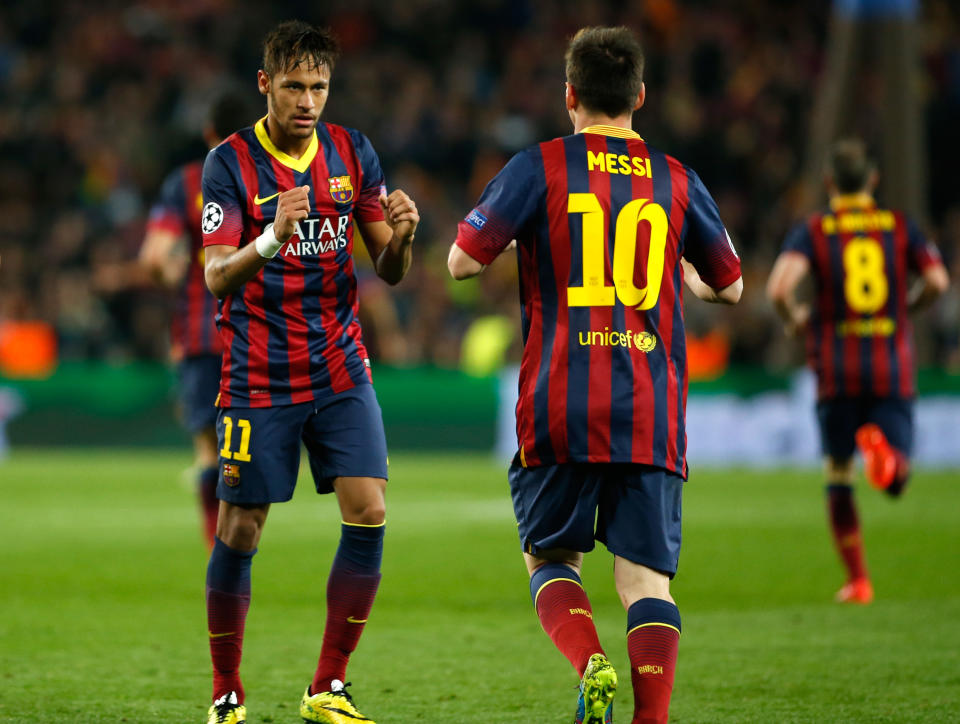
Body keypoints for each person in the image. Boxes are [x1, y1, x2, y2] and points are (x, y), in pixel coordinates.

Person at [448, 26, 742, 724]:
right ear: (640, 96)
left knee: (550, 558)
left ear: (571, 95)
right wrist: (686, 276)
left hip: (559, 402)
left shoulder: (539, 166)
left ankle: (590, 662)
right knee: (646, 580)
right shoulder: (676, 179)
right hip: (648, 405)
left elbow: (462, 261)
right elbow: (729, 286)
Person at [199, 20, 418, 724]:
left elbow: (387, 266)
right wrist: (270, 236)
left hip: (339, 368)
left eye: (318, 86)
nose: (307, 100)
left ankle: (328, 686)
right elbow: (214, 278)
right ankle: (226, 693)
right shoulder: (229, 165)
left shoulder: (354, 153)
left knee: (371, 509)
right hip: (259, 374)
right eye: (293, 85)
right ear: (265, 84)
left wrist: (404, 240)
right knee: (240, 529)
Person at [767, 138, 948, 605]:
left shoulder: (816, 229)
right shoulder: (898, 226)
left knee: (839, 473)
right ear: (873, 180)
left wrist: (796, 321)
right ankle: (886, 461)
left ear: (829, 183)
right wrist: (908, 308)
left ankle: (858, 581)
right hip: (889, 364)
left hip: (836, 368)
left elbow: (779, 288)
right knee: (897, 480)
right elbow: (938, 281)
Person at [139, 92, 251, 548]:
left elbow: (154, 257)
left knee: (209, 446)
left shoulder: (186, 183)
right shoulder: (276, 179)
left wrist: (180, 273)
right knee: (250, 444)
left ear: (208, 133)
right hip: (264, 331)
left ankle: (216, 541)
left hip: (203, 331)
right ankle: (242, 525)